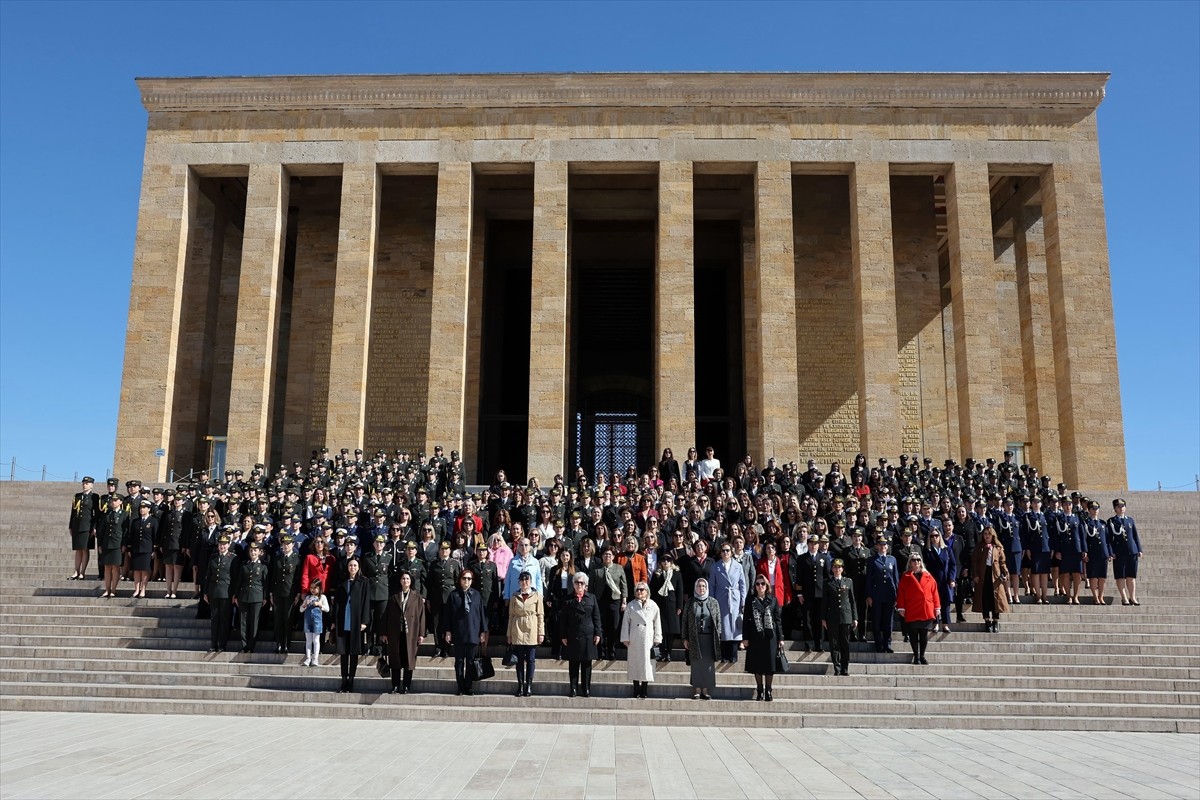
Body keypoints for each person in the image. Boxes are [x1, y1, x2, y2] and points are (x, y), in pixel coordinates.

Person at [443, 568, 488, 696]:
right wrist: (448, 631)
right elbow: (448, 615)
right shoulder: (453, 595)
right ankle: (460, 686)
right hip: (459, 633)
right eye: (464, 578)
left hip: (473, 632)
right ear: (460, 580)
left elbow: (481, 614)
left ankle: (469, 686)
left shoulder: (476, 595)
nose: (466, 581)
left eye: (469, 579)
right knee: (459, 662)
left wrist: (483, 631)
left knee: (470, 661)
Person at [381, 570, 425, 693]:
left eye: (408, 579)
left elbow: (422, 616)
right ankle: (395, 685)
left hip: (411, 632)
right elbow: (387, 614)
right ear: (400, 581)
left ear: (411, 581)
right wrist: (384, 632)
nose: (405, 581)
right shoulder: (394, 596)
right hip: (395, 632)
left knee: (408, 660)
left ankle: (406, 685)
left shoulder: (417, 597)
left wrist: (421, 633)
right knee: (395, 659)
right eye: (403, 579)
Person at [742, 574, 785, 700]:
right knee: (757, 665)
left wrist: (781, 638)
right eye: (757, 584)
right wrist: (745, 638)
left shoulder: (773, 600)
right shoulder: (750, 600)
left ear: (767, 586)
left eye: (763, 584)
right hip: (755, 636)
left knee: (770, 666)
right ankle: (760, 690)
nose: (760, 586)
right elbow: (745, 620)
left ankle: (769, 690)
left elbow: (777, 620)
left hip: (770, 636)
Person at [560, 572, 601, 697]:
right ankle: (573, 688)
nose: (579, 585)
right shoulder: (568, 599)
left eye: (582, 583)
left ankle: (586, 688)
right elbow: (563, 620)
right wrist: (563, 635)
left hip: (588, 634)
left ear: (586, 586)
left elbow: (596, 617)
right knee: (573, 663)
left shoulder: (592, 598)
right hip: (573, 634)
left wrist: (597, 633)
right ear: (573, 584)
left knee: (587, 663)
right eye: (577, 582)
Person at [331, 557, 370, 692]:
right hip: (343, 619)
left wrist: (364, 621)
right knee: (343, 653)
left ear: (358, 567)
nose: (352, 568)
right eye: (350, 565)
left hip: (356, 621)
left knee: (353, 652)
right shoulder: (342, 582)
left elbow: (366, 602)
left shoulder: (364, 582)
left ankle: (351, 680)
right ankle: (344, 680)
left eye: (355, 565)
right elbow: (336, 603)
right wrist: (333, 621)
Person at [620, 581, 662, 699]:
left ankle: (644, 689)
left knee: (646, 665)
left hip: (647, 639)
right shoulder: (631, 605)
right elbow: (625, 623)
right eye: (637, 590)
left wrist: (657, 637)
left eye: (642, 589)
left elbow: (657, 623)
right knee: (635, 663)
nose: (639, 592)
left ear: (647, 591)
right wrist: (625, 638)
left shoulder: (653, 605)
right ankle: (636, 688)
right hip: (634, 638)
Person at [896, 554, 940, 665]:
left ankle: (922, 655)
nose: (916, 562)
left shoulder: (928, 576)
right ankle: (916, 656)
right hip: (912, 608)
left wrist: (937, 607)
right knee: (913, 634)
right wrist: (901, 607)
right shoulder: (906, 576)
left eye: (918, 560)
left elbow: (934, 592)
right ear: (910, 562)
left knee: (924, 634)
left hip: (925, 608)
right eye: (914, 560)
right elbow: (901, 593)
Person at [506, 571, 544, 697]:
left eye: (527, 580)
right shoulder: (514, 596)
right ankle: (520, 685)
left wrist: (541, 633)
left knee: (531, 660)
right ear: (519, 582)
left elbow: (540, 616)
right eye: (522, 580)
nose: (524, 582)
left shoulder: (537, 596)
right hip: (517, 628)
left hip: (531, 628)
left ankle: (529, 685)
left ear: (531, 581)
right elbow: (511, 616)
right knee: (520, 660)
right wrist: (509, 634)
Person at [682, 577, 721, 700]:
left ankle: (706, 689)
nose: (701, 588)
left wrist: (718, 636)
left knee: (708, 664)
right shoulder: (690, 603)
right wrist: (684, 638)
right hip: (695, 638)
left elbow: (718, 621)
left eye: (703, 586)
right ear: (695, 588)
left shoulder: (714, 602)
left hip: (710, 638)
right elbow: (684, 622)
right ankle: (697, 689)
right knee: (696, 664)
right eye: (699, 586)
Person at [709, 541, 747, 663]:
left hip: (734, 598)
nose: (725, 552)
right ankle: (724, 655)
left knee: (735, 627)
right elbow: (712, 586)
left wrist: (743, 601)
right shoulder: (716, 566)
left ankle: (733, 655)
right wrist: (712, 602)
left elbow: (742, 585)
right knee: (724, 627)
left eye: (728, 550)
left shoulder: (738, 566)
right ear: (720, 553)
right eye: (723, 550)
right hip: (721, 598)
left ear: (731, 552)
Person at [971, 525, 1009, 633]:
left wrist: (1005, 572)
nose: (987, 536)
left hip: (995, 575)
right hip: (983, 575)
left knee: (996, 598)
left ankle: (995, 621)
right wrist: (975, 574)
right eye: (985, 534)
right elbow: (974, 562)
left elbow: (1002, 562)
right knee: (985, 598)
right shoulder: (979, 547)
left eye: (989, 534)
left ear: (993, 535)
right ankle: (987, 621)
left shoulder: (997, 547)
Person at [822, 559, 857, 676]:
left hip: (846, 616)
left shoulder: (848, 582)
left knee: (845, 644)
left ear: (842, 569)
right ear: (832, 569)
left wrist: (855, 617)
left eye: (839, 567)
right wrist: (823, 618)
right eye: (835, 567)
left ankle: (845, 667)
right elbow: (824, 602)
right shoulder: (827, 583)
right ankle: (837, 668)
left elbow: (852, 601)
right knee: (834, 644)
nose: (837, 569)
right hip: (832, 617)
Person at [591, 547, 627, 659]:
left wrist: (624, 600)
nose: (607, 556)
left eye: (610, 554)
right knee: (600, 627)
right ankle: (601, 652)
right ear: (602, 556)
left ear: (613, 556)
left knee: (614, 626)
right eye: (605, 554)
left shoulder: (619, 568)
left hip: (615, 601)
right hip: (600, 601)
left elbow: (623, 585)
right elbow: (592, 586)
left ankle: (612, 651)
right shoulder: (596, 568)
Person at [866, 537, 899, 653]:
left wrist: (897, 595)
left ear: (887, 546)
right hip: (876, 595)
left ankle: (887, 644)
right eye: (880, 544)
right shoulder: (872, 560)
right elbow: (869, 579)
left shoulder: (892, 559)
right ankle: (878, 644)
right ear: (876, 546)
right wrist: (869, 595)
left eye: (884, 545)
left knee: (888, 622)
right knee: (876, 620)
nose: (882, 547)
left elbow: (895, 579)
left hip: (889, 595)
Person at [269, 533, 302, 654]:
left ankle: (286, 645)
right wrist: (271, 593)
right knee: (278, 620)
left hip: (290, 593)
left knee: (288, 619)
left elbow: (297, 578)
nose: (286, 546)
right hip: (278, 592)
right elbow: (273, 576)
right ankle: (279, 644)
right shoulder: (278, 557)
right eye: (284, 543)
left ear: (293, 544)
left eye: (288, 543)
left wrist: (298, 593)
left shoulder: (297, 558)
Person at [1108, 499, 1144, 605]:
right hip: (1119, 552)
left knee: (1131, 576)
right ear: (1115, 509)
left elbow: (1135, 536)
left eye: (1123, 506)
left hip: (1132, 551)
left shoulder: (1130, 520)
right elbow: (1109, 539)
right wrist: (1111, 552)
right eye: (1118, 506)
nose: (1121, 508)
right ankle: (1124, 598)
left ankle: (1132, 597)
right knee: (1120, 576)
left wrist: (1139, 549)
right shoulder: (1111, 521)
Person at [649, 551, 684, 662]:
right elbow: (653, 591)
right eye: (663, 560)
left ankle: (668, 652)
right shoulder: (657, 574)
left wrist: (679, 606)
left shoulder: (676, 574)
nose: (666, 562)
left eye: (668, 560)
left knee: (671, 630)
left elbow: (680, 591)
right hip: (660, 605)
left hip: (672, 605)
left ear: (671, 562)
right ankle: (662, 652)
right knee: (661, 629)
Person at [234, 541, 268, 653]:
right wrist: (236, 594)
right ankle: (244, 645)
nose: (253, 552)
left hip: (257, 596)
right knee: (243, 622)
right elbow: (239, 581)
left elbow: (265, 583)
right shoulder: (244, 564)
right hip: (244, 595)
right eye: (251, 550)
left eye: (255, 550)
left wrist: (265, 597)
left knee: (254, 622)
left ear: (260, 552)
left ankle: (251, 645)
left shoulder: (263, 566)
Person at [205, 533, 236, 653]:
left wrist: (234, 594)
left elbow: (234, 577)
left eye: (224, 544)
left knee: (224, 619)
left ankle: (222, 644)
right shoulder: (213, 558)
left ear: (228, 545)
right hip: (213, 591)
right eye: (220, 544)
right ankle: (213, 643)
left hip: (226, 593)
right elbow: (208, 576)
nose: (222, 546)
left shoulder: (232, 558)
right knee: (214, 618)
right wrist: (206, 592)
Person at [96, 490, 129, 599]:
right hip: (107, 543)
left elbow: (125, 531)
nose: (113, 502)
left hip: (117, 544)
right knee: (107, 567)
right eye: (112, 500)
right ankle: (107, 589)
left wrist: (124, 544)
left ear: (120, 502)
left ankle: (113, 589)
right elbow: (102, 530)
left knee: (115, 567)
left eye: (115, 500)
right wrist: (100, 544)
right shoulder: (107, 513)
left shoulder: (124, 514)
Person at [922, 530, 957, 633]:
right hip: (932, 579)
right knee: (933, 602)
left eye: (936, 535)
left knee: (945, 602)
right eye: (932, 536)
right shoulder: (927, 551)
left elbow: (953, 565)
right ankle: (935, 623)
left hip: (945, 579)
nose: (934, 538)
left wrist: (952, 578)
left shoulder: (946, 549)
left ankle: (945, 624)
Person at [1082, 500, 1113, 605]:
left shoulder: (1103, 523)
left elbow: (1107, 540)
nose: (1095, 511)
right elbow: (1084, 539)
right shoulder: (1086, 523)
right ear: (1089, 510)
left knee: (1102, 577)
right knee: (1093, 576)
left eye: (1096, 509)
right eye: (1092, 509)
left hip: (1103, 552)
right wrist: (1085, 552)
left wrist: (1109, 552)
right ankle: (1095, 597)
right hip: (1092, 553)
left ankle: (1101, 596)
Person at [68, 476, 99, 581]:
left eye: (87, 483)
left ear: (91, 485)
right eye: (84, 483)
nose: (85, 485)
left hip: (87, 526)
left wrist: (94, 527)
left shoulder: (94, 497)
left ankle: (82, 572)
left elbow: (96, 514)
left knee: (85, 549)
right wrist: (71, 525)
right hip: (77, 525)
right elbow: (73, 511)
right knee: (78, 549)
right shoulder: (77, 496)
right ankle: (76, 570)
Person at [127, 500, 157, 599]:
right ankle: (136, 589)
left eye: (144, 508)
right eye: (141, 508)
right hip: (136, 548)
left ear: (149, 509)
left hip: (147, 548)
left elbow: (155, 536)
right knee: (136, 570)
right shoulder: (135, 521)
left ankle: (143, 589)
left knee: (144, 570)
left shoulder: (153, 521)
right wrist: (129, 548)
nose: (142, 509)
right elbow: (131, 536)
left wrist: (154, 549)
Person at [299, 578, 329, 667]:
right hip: (308, 621)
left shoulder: (322, 597)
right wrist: (305, 604)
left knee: (316, 640)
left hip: (317, 621)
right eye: (311, 587)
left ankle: (315, 658)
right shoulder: (308, 597)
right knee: (308, 640)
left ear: (319, 588)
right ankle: (308, 658)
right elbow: (301, 610)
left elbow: (327, 609)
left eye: (315, 588)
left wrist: (320, 605)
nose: (312, 590)